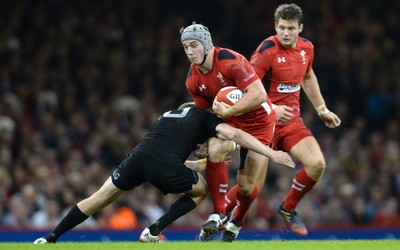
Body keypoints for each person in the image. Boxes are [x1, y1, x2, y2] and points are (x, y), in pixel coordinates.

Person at [33, 103, 295, 244]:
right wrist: (272, 154)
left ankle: (50, 237)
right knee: (202, 189)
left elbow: (170, 153)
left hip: (137, 158)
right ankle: (153, 231)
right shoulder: (209, 119)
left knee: (98, 198)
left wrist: (199, 163)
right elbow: (236, 134)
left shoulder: (173, 113)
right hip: (163, 165)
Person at [248, 3, 341, 236]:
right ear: (275, 27)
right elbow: (247, 88)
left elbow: (308, 76)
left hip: (291, 123)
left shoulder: (307, 48)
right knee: (249, 189)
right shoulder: (266, 51)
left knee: (318, 165)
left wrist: (322, 109)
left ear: (300, 28)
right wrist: (271, 108)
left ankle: (288, 207)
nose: (286, 33)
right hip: (262, 125)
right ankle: (220, 221)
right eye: (281, 28)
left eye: (290, 28)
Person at [180, 22, 277, 242]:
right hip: (230, 122)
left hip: (260, 123)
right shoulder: (192, 79)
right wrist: (203, 141)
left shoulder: (231, 61)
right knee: (215, 148)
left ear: (205, 44)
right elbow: (203, 112)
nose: (189, 51)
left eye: (194, 45)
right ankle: (218, 213)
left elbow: (259, 95)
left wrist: (231, 110)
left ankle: (236, 222)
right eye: (185, 47)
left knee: (245, 186)